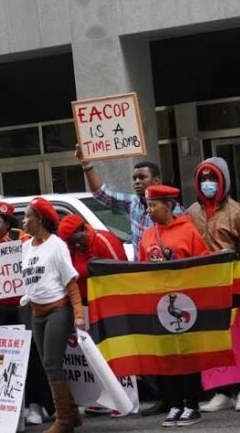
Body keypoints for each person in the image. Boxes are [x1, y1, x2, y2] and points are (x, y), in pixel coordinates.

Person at [76, 147, 183, 416]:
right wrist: (87, 164)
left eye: (142, 177)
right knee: (149, 343)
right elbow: (101, 194)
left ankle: (180, 398)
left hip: (169, 286)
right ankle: (163, 396)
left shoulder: (174, 210)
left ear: (156, 181)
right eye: (134, 178)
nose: (136, 181)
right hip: (142, 285)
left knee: (170, 343)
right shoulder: (134, 204)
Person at [185, 157, 240, 413]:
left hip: (232, 284)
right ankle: (221, 391)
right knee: (214, 341)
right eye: (203, 179)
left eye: (212, 178)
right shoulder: (190, 213)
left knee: (239, 339)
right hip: (204, 288)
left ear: (223, 180)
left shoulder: (238, 212)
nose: (208, 183)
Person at [136, 184, 211, 427]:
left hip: (185, 303)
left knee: (186, 355)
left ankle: (192, 405)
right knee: (166, 356)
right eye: (147, 205)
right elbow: (141, 269)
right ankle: (175, 404)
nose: (149, 210)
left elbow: (203, 264)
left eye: (153, 205)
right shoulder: (148, 236)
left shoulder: (188, 230)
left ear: (168, 205)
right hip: (158, 305)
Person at [0, 201, 55, 426]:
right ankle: (10, 410)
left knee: (32, 358)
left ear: (7, 223)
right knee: (3, 361)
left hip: (24, 309)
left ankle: (37, 405)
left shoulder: (24, 243)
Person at [19, 197, 85, 433]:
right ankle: (73, 413)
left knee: (52, 363)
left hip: (58, 310)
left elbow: (71, 282)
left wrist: (78, 315)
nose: (24, 221)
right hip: (36, 312)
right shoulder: (26, 247)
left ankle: (64, 421)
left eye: (28, 216)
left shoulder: (56, 245)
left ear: (40, 219)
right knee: (50, 366)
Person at [57, 213, 128, 418]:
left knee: (114, 351)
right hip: (86, 307)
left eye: (77, 239)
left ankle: (123, 398)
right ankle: (103, 397)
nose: (76, 245)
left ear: (83, 228)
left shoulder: (104, 240)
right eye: (71, 243)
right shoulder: (71, 248)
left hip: (110, 303)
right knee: (95, 355)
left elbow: (122, 272)